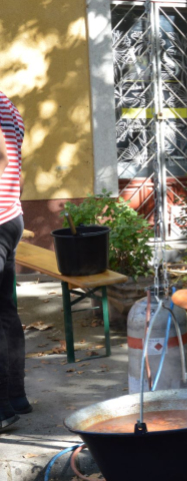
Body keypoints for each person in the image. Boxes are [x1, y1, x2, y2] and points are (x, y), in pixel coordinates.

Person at [0, 90, 28, 432]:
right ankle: (16, 396)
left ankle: (3, 407)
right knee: (5, 309)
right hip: (10, 216)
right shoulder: (7, 104)